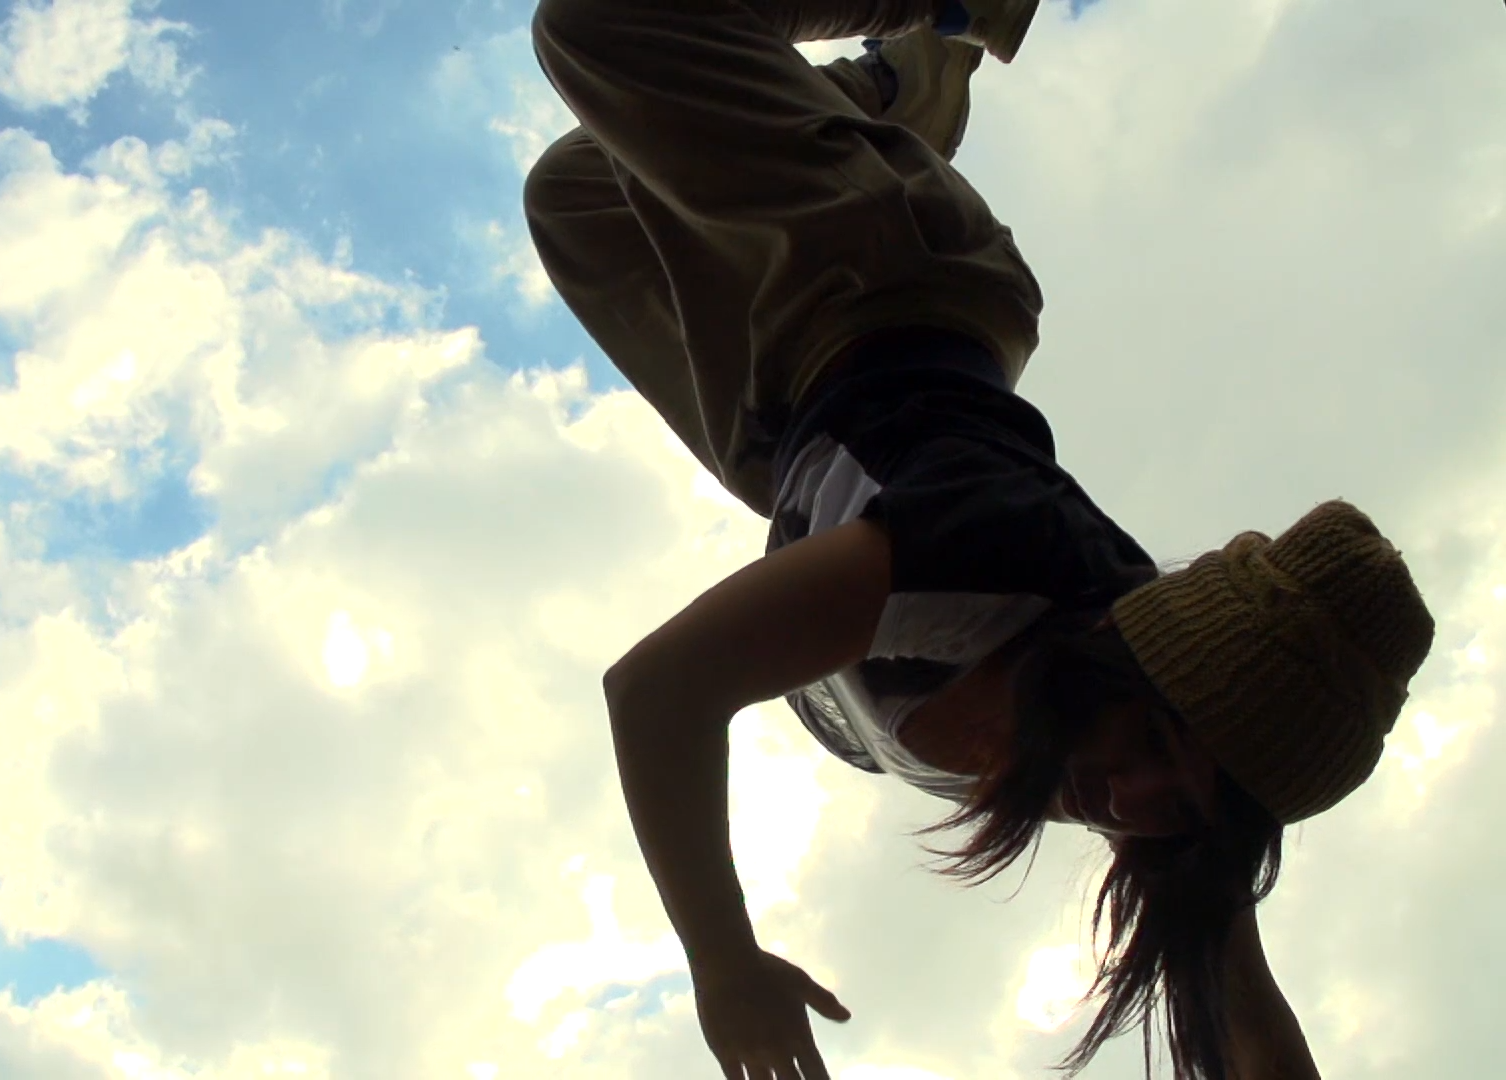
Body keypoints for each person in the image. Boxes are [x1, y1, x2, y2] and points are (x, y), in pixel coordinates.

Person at [522, 2, 1437, 1079]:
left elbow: (1248, 1026)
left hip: (786, 421)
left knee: (579, 193)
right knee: (603, 24)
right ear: (1130, 661)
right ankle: (935, 31)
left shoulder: (1169, 806)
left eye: (1189, 810)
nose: (1132, 804)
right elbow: (657, 692)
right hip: (884, 273)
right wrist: (723, 961)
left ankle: (885, 106)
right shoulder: (974, 558)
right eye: (1155, 745)